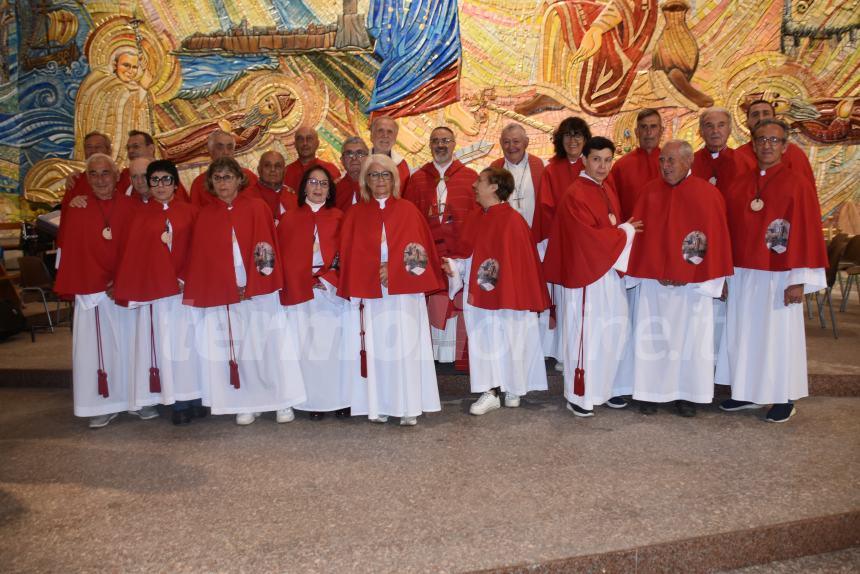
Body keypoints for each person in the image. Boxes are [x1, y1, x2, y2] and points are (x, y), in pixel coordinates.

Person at [717, 119, 827, 423]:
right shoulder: (739, 184)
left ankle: (783, 398)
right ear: (753, 145)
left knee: (778, 337)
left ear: (785, 147)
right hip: (743, 274)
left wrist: (799, 280)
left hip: (780, 275)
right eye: (761, 139)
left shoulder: (797, 184)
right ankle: (745, 392)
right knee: (742, 334)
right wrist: (724, 276)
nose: (767, 145)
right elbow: (726, 232)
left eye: (774, 140)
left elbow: (806, 232)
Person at [182, 157, 306, 425]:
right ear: (210, 184)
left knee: (268, 346)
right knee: (237, 349)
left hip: (259, 289)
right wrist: (227, 287)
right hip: (226, 292)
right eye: (218, 178)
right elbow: (204, 260)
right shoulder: (206, 215)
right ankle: (246, 403)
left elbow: (267, 248)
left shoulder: (256, 207)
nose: (223, 182)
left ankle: (282, 401)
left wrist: (255, 285)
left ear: (240, 179)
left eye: (228, 176)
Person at [623, 140, 733, 417]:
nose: (665, 166)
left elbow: (715, 239)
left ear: (688, 162)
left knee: (690, 342)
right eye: (662, 160)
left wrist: (689, 274)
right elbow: (640, 239)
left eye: (671, 160)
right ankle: (649, 393)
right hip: (654, 285)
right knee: (652, 339)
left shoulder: (708, 195)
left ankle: (688, 395)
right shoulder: (648, 192)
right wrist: (656, 271)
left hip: (692, 287)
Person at [338, 154, 444, 425]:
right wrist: (375, 270)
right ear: (365, 181)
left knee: (405, 347)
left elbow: (421, 254)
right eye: (374, 175)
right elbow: (349, 256)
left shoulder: (409, 211)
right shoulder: (355, 214)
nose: (380, 180)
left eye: (385, 175)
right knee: (378, 349)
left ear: (394, 179)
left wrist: (394, 270)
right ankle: (381, 404)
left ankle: (408, 406)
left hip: (404, 295)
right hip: (371, 295)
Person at [543, 136, 641, 417]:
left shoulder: (604, 188)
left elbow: (607, 230)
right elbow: (588, 239)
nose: (602, 166)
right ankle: (580, 395)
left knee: (613, 330)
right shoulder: (577, 193)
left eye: (608, 160)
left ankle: (606, 388)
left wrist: (621, 231)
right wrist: (626, 232)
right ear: (584, 160)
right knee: (585, 336)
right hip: (585, 276)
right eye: (596, 159)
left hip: (605, 271)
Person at [443, 167, 549, 415]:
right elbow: (467, 255)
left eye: (480, 181)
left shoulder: (514, 221)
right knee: (483, 340)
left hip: (510, 295)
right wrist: (454, 267)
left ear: (493, 187)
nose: (474, 186)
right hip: (480, 294)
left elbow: (521, 264)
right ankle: (489, 391)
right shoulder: (475, 217)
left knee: (514, 335)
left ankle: (514, 386)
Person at [54, 153, 150, 428]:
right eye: (93, 174)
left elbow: (139, 251)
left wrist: (122, 280)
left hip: (124, 292)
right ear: (86, 179)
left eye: (105, 173)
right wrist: (93, 283)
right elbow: (74, 254)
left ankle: (136, 401)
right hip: (92, 294)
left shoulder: (132, 208)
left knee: (133, 346)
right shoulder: (77, 209)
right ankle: (100, 404)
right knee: (96, 351)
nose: (100, 180)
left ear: (117, 176)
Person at [113, 160, 203, 425]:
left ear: (176, 183)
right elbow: (136, 256)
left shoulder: (192, 212)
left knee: (191, 346)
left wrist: (186, 277)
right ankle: (177, 401)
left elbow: (201, 250)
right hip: (159, 295)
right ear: (147, 184)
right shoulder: (140, 217)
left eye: (166, 180)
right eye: (155, 181)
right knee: (167, 347)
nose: (161, 186)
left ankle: (196, 396)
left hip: (188, 292)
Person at [278, 166, 353, 421]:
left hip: (330, 292)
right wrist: (301, 279)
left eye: (323, 183)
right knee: (308, 349)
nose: (318, 188)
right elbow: (283, 257)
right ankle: (315, 402)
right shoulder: (289, 219)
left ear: (330, 189)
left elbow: (347, 255)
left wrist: (328, 280)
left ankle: (344, 399)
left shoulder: (340, 217)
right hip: (301, 293)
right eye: (313, 182)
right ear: (304, 187)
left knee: (335, 348)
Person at [404, 126, 479, 364]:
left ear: (455, 143)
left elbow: (477, 217)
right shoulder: (417, 179)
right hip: (429, 254)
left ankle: (456, 355)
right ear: (430, 145)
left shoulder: (471, 178)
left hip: (460, 254)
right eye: (436, 141)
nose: (441, 145)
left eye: (445, 140)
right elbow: (409, 220)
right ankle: (433, 355)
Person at [537, 116, 592, 369]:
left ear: (585, 139)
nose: (573, 140)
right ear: (561, 139)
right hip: (561, 241)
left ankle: (583, 348)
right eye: (568, 135)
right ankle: (561, 352)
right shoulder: (552, 169)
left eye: (578, 135)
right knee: (562, 299)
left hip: (588, 245)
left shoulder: (592, 167)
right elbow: (547, 207)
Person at [734, 99, 816, 187]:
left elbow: (805, 193)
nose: (761, 119)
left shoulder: (794, 153)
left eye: (766, 113)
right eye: (755, 115)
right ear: (747, 123)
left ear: (775, 119)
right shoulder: (737, 157)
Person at [489, 123, 545, 233]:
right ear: (500, 143)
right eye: (506, 142)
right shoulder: (493, 170)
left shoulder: (543, 166)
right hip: (505, 236)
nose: (511, 146)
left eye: (516, 141)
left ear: (526, 142)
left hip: (537, 236)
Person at [608, 108, 663, 219]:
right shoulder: (621, 166)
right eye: (643, 127)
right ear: (636, 132)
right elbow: (611, 204)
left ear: (661, 131)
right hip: (632, 232)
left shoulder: (672, 164)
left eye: (653, 126)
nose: (649, 132)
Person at [189, 130, 258, 208]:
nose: (226, 152)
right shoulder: (199, 183)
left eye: (229, 147)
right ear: (210, 150)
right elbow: (195, 216)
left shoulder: (249, 176)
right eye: (220, 148)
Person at [691, 107, 739, 195]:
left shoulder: (744, 162)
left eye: (721, 125)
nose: (715, 131)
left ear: (729, 130)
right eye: (709, 126)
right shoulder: (689, 163)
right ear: (701, 131)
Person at [283, 126, 341, 192]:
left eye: (309, 138)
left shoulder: (331, 169)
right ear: (295, 145)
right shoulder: (286, 172)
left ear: (317, 143)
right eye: (300, 139)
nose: (305, 143)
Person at [251, 150, 296, 218]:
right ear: (259, 170)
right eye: (267, 165)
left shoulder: (292, 197)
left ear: (284, 171)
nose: (272, 169)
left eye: (278, 166)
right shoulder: (247, 197)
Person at [370, 115, 410, 186]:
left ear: (395, 139)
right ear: (372, 136)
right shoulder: (359, 162)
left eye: (390, 132)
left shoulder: (402, 167)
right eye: (380, 130)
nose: (385, 135)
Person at [334, 136, 369, 211]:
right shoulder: (333, 189)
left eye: (360, 153)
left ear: (368, 158)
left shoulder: (377, 186)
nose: (354, 158)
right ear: (342, 160)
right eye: (349, 154)